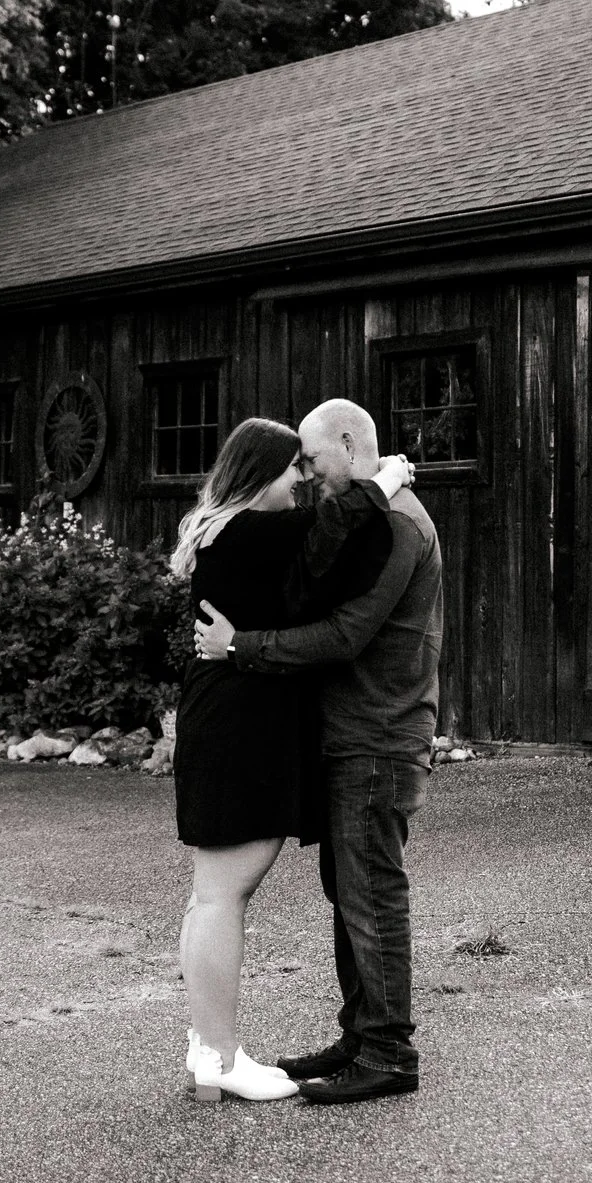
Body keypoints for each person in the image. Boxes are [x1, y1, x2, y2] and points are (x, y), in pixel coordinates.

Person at [194, 397, 443, 1105]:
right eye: (295, 464)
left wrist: (241, 646)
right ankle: (360, 1038)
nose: (305, 475)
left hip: (379, 736)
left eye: (311, 458)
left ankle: (389, 1051)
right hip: (355, 735)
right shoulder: (370, 515)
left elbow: (343, 635)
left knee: (372, 895)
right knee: (350, 893)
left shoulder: (394, 524)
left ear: (348, 444)